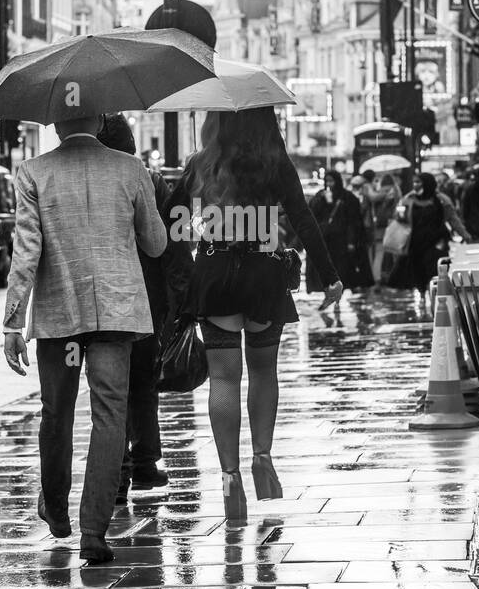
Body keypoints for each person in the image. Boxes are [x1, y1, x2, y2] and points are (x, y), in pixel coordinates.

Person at [1, 114, 167, 564]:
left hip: (60, 317)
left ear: (55, 124)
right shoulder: (131, 169)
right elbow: (155, 244)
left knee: (56, 412)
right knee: (110, 414)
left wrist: (13, 321)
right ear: (98, 120)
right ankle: (95, 529)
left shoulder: (34, 172)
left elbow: (26, 251)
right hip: (116, 312)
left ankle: (55, 509)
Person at [164, 107, 342, 521]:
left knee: (223, 378)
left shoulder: (202, 164)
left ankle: (229, 477)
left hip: (215, 272)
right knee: (264, 372)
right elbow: (304, 218)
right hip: (264, 273)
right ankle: (262, 459)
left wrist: (187, 272)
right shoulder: (274, 164)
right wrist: (329, 276)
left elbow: (170, 222)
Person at [94, 112, 192, 501]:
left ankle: (117, 472)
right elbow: (174, 245)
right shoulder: (150, 182)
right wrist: (182, 301)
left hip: (105, 299)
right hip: (148, 300)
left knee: (110, 388)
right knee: (143, 383)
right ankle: (146, 463)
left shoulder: (96, 182)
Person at [388, 171, 472, 296]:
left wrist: (465, 235)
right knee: (418, 272)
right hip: (415, 243)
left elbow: (453, 219)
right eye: (415, 182)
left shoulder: (442, 200)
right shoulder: (408, 199)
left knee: (435, 272)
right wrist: (400, 213)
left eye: (419, 182)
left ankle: (434, 296)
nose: (416, 185)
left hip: (436, 243)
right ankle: (423, 295)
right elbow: (400, 218)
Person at [306, 169, 364, 294]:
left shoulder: (347, 197)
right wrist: (321, 200)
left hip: (341, 241)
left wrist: (351, 241)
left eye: (332, 181)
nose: (329, 184)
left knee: (341, 270)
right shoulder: (320, 195)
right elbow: (312, 213)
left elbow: (353, 221)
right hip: (325, 240)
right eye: (327, 181)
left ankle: (338, 296)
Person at [362, 171, 401, 284]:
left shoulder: (382, 191)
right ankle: (394, 277)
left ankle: (377, 278)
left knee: (379, 252)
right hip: (393, 225)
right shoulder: (397, 191)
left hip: (380, 226)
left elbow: (373, 199)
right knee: (394, 252)